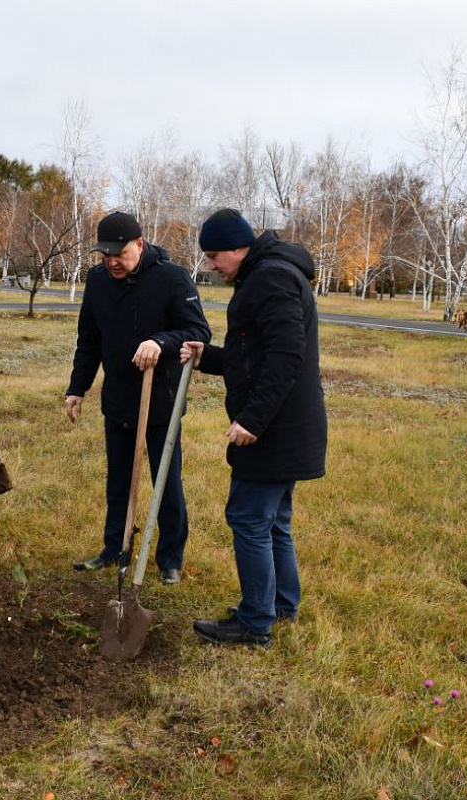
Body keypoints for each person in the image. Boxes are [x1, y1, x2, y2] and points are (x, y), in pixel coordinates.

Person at [180, 208, 327, 648]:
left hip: (276, 428)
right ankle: (281, 603)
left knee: (247, 518)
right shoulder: (268, 274)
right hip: (289, 425)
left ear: (239, 248)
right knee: (274, 520)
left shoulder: (270, 279)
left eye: (214, 255)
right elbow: (256, 356)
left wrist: (252, 420)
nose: (210, 265)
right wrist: (209, 355)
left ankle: (254, 623)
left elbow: (285, 357)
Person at [66, 211, 211, 585]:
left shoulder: (172, 278)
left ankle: (170, 559)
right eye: (105, 254)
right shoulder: (98, 281)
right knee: (118, 479)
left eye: (119, 253)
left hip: (160, 397)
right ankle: (114, 548)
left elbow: (198, 331)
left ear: (140, 245)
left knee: (166, 482)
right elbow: (89, 339)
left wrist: (161, 342)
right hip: (118, 398)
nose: (112, 261)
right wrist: (77, 388)